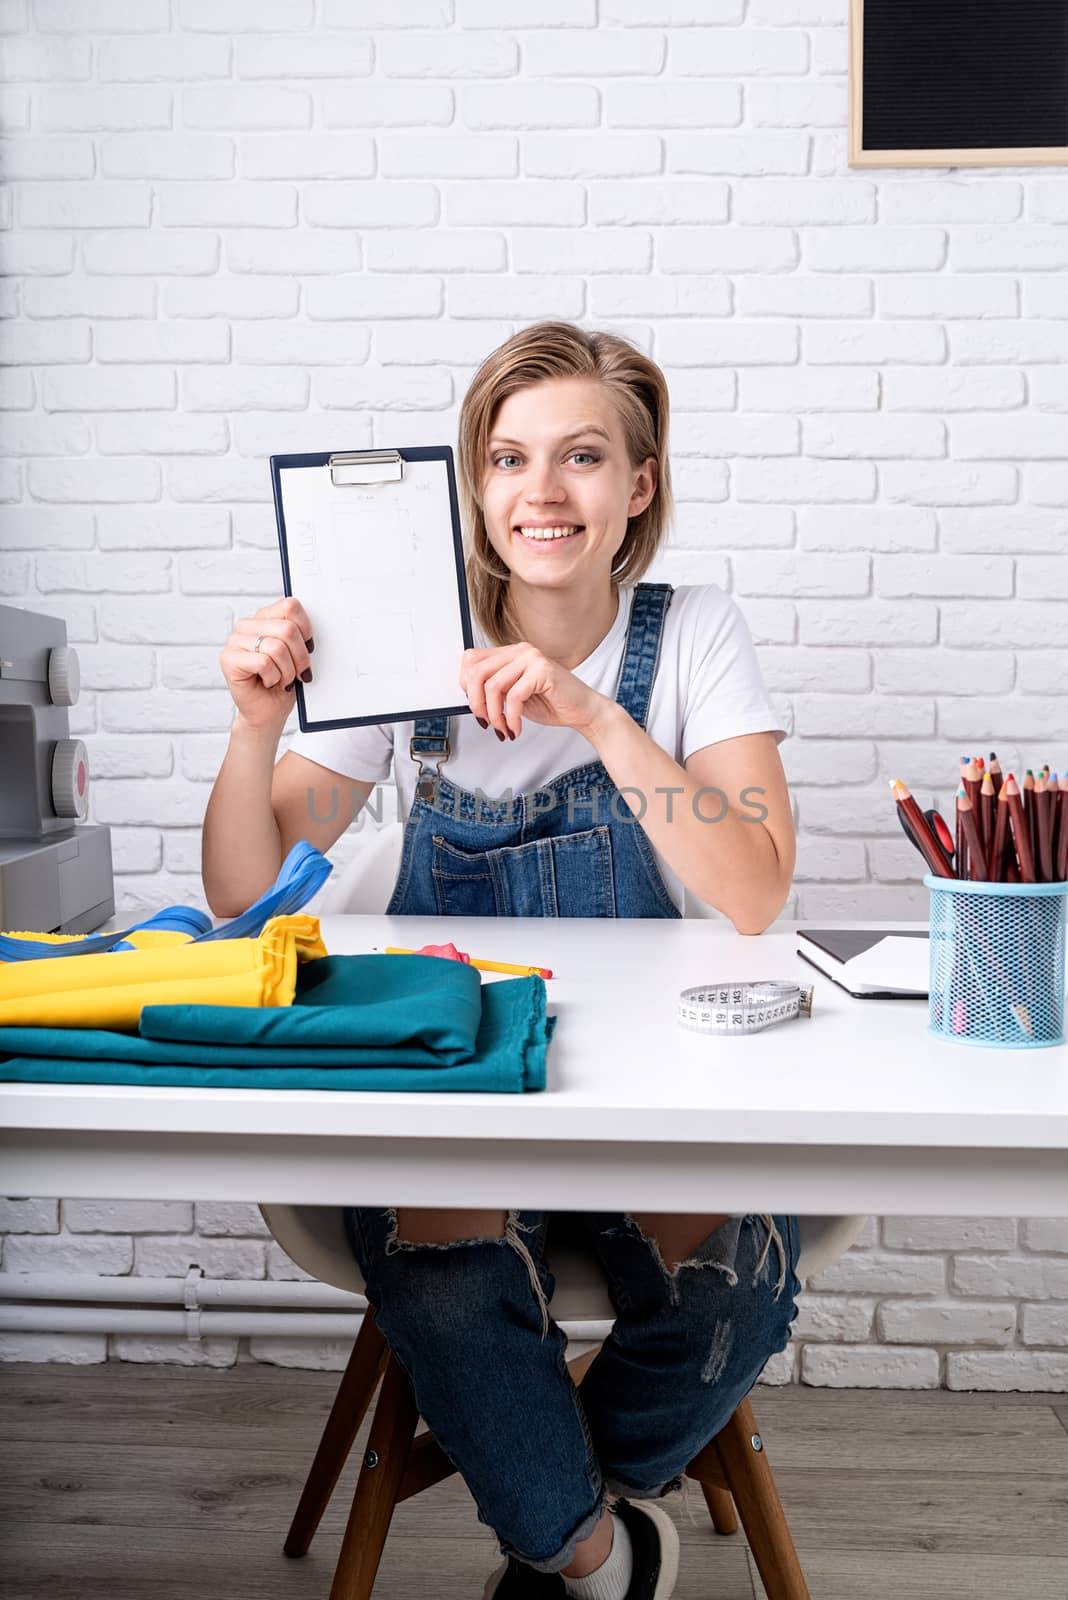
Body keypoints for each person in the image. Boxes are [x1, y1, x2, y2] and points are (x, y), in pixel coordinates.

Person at [203, 321, 801, 1600]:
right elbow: (247, 900)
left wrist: (593, 711)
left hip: (645, 1097)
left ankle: (549, 1519)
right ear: (474, 486)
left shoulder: (691, 633)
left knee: (737, 1293)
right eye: (511, 457)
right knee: (453, 1297)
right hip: (453, 1083)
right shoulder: (403, 644)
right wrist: (256, 729)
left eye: (583, 455)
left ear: (637, 485)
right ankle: (592, 1553)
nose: (544, 490)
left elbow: (752, 889)